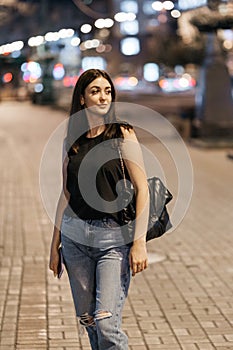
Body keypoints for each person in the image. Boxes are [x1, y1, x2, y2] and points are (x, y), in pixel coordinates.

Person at [49, 69, 149, 350]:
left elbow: (141, 188)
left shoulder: (122, 133)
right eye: (95, 91)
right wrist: (54, 245)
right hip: (75, 240)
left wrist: (139, 243)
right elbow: (66, 193)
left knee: (106, 321)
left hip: (113, 239)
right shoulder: (72, 141)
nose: (103, 96)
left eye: (107, 90)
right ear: (82, 99)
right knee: (89, 320)